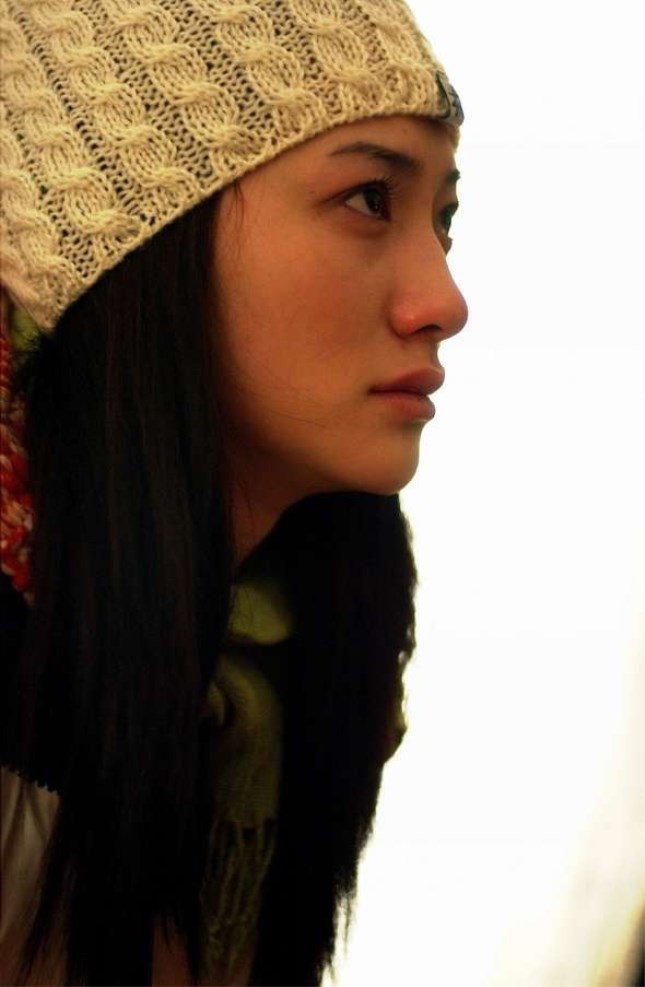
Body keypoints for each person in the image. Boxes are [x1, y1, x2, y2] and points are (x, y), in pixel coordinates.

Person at [0, 1, 467, 983]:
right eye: (369, 198)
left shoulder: (297, 656)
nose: (445, 302)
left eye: (444, 218)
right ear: (133, 235)